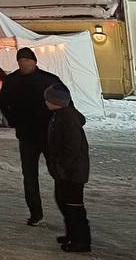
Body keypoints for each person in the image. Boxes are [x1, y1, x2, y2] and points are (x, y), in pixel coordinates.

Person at [0, 46, 62, 226]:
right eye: (20, 60)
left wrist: (61, 124)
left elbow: (64, 101)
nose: (23, 63)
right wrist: (13, 121)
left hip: (48, 134)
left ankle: (67, 207)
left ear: (34, 61)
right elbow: (4, 103)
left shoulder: (48, 80)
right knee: (29, 175)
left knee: (57, 172)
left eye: (26, 60)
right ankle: (35, 212)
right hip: (26, 135)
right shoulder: (12, 81)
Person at [44, 83, 91, 253]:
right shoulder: (59, 114)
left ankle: (81, 241)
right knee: (63, 201)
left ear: (56, 101)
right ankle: (72, 234)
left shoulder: (67, 118)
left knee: (74, 206)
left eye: (47, 99)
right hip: (65, 170)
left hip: (72, 171)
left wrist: (61, 166)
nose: (45, 101)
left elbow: (72, 147)